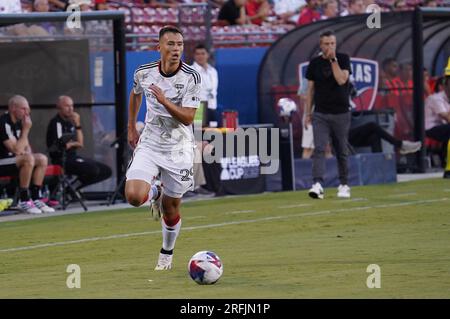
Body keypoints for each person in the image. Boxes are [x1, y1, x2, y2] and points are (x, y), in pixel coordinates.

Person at [125, 26, 201, 270]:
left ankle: (166, 254)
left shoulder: (192, 77)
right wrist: (131, 127)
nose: (176, 49)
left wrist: (164, 101)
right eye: (170, 44)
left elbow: (188, 118)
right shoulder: (144, 73)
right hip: (150, 142)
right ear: (159, 47)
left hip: (178, 148)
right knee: (134, 197)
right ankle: (153, 193)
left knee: (170, 208)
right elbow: (135, 94)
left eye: (179, 44)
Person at [304, 30, 352, 199]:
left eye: (332, 43)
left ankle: (344, 184)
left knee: (341, 150)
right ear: (320, 45)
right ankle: (317, 184)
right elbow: (310, 90)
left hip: (341, 112)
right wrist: (307, 113)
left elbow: (341, 80)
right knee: (319, 148)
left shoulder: (344, 59)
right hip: (321, 113)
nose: (330, 46)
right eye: (327, 44)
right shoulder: (314, 64)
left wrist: (333, 60)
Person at [0, 95, 55, 214]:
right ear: (13, 108)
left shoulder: (20, 123)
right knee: (28, 159)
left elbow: (26, 148)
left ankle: (36, 198)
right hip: (2, 161)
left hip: (14, 161)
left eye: (28, 109)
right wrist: (26, 130)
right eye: (24, 109)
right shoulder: (3, 122)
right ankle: (24, 200)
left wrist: (27, 154)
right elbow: (16, 150)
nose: (27, 113)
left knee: (42, 159)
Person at [46, 95, 112, 191]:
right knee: (93, 170)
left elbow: (80, 143)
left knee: (106, 171)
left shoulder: (70, 123)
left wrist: (77, 124)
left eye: (72, 106)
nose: (70, 109)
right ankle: (70, 191)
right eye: (67, 106)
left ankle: (71, 189)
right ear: (59, 107)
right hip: (62, 159)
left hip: (73, 157)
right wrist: (72, 144)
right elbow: (61, 145)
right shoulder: (56, 122)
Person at [424, 76, 450, 178]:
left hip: (443, 127)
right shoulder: (436, 98)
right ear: (444, 86)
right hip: (430, 129)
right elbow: (447, 117)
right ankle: (447, 166)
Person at [349, 121, 422, 154]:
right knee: (372, 125)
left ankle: (378, 167)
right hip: (340, 137)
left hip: (345, 135)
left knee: (374, 137)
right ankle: (400, 145)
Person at [191, 44, 219, 127]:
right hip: (198, 109)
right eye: (197, 54)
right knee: (198, 136)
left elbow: (214, 90)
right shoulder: (190, 71)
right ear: (194, 56)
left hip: (212, 106)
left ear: (207, 55)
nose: (200, 56)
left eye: (203, 53)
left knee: (212, 136)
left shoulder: (213, 71)